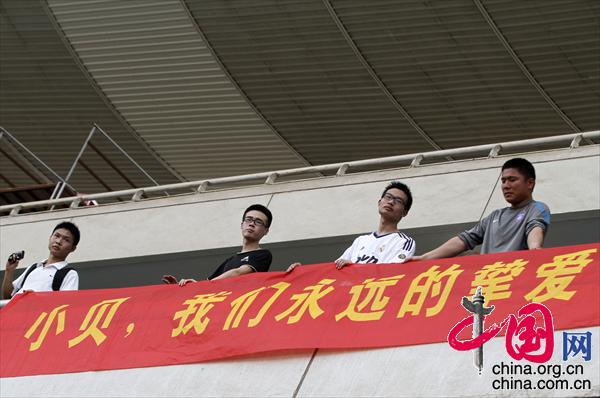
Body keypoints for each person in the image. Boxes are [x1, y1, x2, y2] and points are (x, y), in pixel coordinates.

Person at [415, 158, 550, 260]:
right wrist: (424, 258)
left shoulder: (537, 208)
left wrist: (535, 250)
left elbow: (535, 228)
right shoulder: (494, 216)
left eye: (512, 180)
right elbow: (464, 240)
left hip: (514, 281)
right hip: (487, 282)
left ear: (530, 183)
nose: (506, 186)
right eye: (503, 181)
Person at [287, 181, 415, 272]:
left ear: (405, 212)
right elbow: (334, 269)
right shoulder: (361, 241)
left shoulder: (404, 242)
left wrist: (354, 267)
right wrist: (303, 271)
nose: (391, 202)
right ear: (379, 202)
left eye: (398, 201)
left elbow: (393, 272)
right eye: (388, 197)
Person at [162, 204, 273, 285]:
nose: (252, 224)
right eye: (248, 219)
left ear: (266, 231)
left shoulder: (263, 254)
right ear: (242, 224)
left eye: (258, 222)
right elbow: (208, 286)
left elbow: (238, 272)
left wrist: (201, 285)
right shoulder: (230, 261)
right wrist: (179, 289)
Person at [2, 221, 80, 299]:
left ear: (73, 248)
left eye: (66, 240)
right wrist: (9, 270)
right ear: (50, 238)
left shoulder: (70, 274)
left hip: (38, 311)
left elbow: (66, 303)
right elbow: (7, 297)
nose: (58, 241)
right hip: (15, 310)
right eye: (57, 236)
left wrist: (37, 298)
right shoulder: (34, 267)